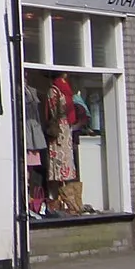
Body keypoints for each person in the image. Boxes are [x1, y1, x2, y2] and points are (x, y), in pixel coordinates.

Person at [42, 73, 81, 215]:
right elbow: (60, 111)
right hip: (63, 131)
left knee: (61, 166)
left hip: (61, 131)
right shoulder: (61, 90)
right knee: (63, 166)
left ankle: (64, 202)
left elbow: (55, 111)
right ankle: (64, 202)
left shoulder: (59, 90)